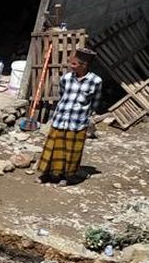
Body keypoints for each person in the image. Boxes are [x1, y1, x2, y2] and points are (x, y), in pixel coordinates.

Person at [38, 48, 103, 185]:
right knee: (54, 148)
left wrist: (85, 115)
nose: (70, 66)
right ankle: (49, 174)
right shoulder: (66, 78)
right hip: (60, 119)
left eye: (74, 64)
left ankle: (67, 177)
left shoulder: (96, 81)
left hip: (78, 122)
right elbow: (62, 96)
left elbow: (95, 103)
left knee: (72, 151)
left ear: (83, 65)